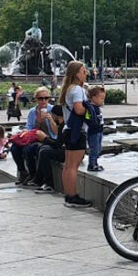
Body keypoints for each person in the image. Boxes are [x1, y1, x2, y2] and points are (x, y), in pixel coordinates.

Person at [58, 61, 92, 207]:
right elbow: (79, 109)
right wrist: (92, 111)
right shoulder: (77, 90)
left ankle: (68, 195)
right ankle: (73, 196)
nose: (86, 74)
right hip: (77, 131)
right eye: (84, 71)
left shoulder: (68, 89)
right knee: (73, 166)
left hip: (68, 129)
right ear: (77, 74)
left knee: (67, 165)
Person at [11, 86, 52, 184]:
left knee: (28, 149)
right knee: (14, 148)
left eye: (46, 98)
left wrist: (49, 120)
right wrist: (25, 131)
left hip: (46, 138)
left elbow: (55, 131)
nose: (43, 101)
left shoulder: (52, 110)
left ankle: (33, 174)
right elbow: (29, 126)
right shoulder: (32, 111)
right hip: (33, 137)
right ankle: (23, 171)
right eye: (40, 98)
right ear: (36, 99)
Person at [34, 105, 65, 194]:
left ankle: (49, 183)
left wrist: (45, 139)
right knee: (43, 148)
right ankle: (38, 179)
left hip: (70, 153)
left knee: (45, 152)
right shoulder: (61, 125)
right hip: (65, 149)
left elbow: (58, 145)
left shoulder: (64, 125)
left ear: (55, 115)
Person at [85, 85, 105, 172]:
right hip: (93, 132)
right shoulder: (90, 108)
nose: (102, 100)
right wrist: (93, 124)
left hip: (99, 131)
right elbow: (87, 119)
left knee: (98, 148)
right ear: (93, 98)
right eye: (101, 98)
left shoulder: (97, 108)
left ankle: (95, 163)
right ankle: (91, 164)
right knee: (94, 148)